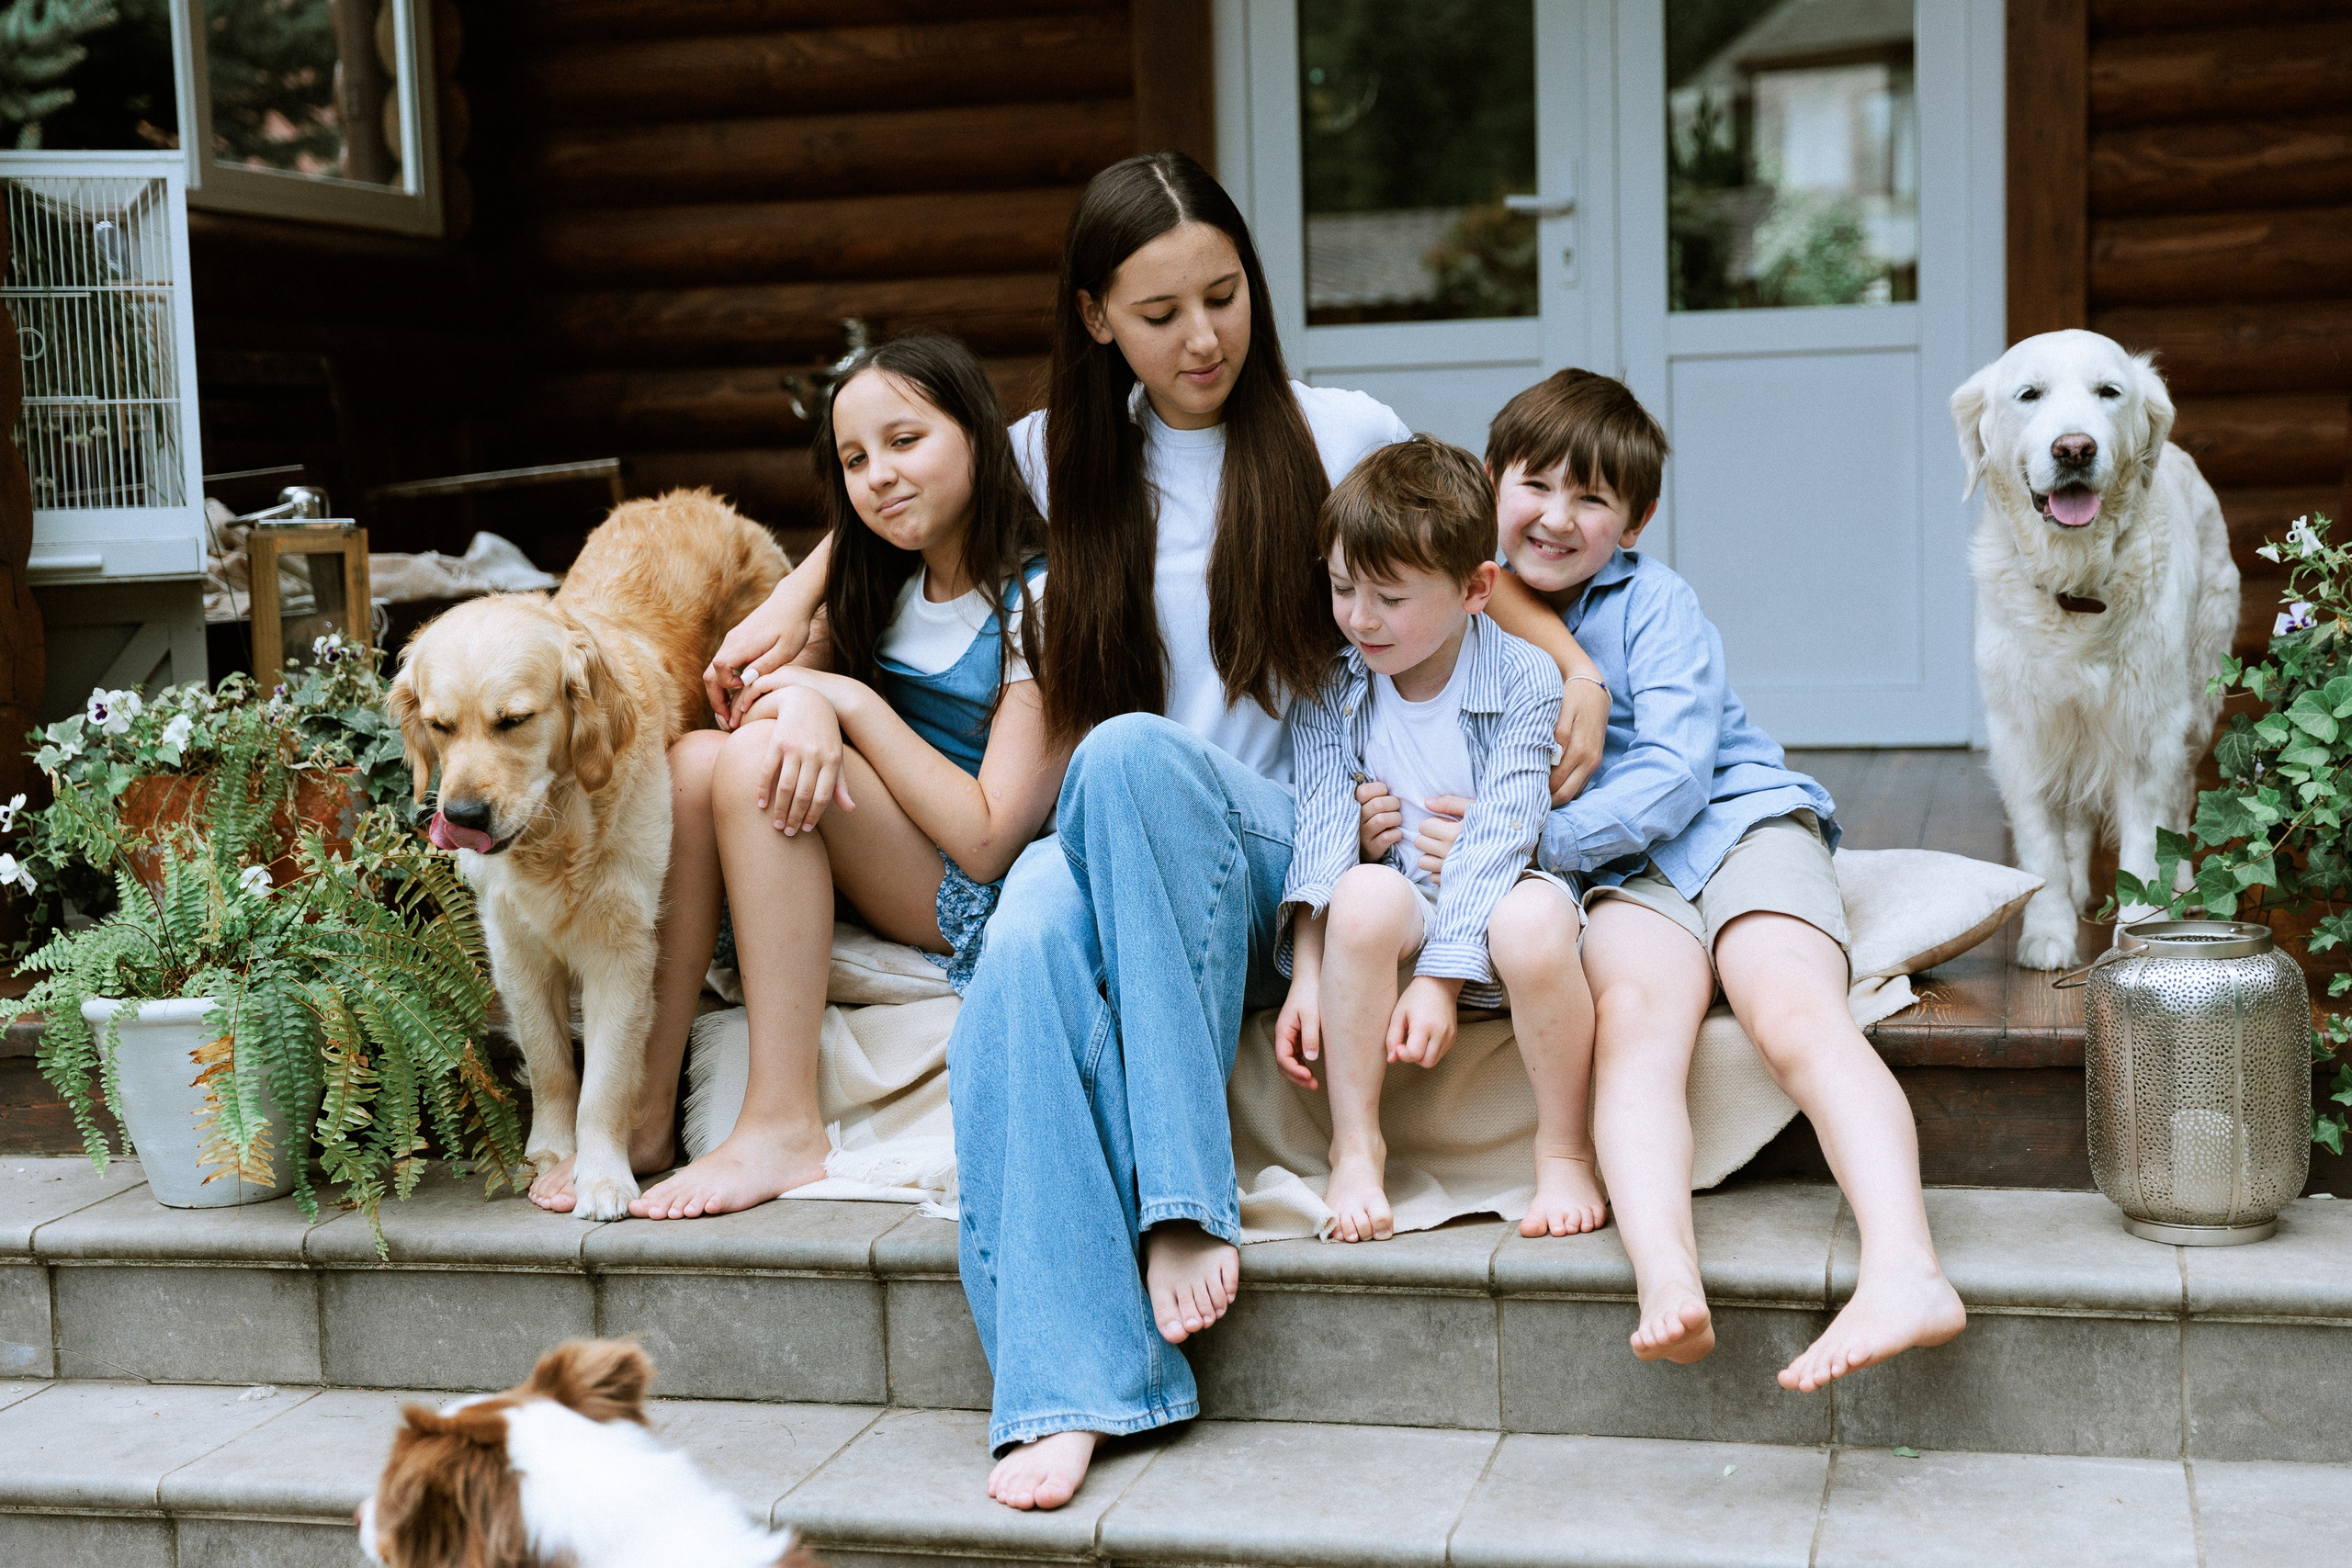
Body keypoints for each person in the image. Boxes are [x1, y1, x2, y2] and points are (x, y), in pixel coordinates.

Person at [698, 152, 1615, 1511]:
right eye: (1161, 312)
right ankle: (1073, 1387)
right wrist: (795, 602)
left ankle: (1181, 1198)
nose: (1204, 338)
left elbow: (1465, 572)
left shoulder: (1337, 427)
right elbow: (893, 502)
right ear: (1096, 320)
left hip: (1268, 852)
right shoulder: (1057, 458)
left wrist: (1577, 673)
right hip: (1101, 848)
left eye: (1225, 297)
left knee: (1126, 749)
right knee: (1019, 947)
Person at [1407, 367, 1966, 1391]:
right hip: (1624, 874)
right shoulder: (1466, 609)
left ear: (1637, 518)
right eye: (1534, 484)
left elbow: (1673, 776)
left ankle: (1907, 1269)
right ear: (1490, 481)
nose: (1557, 517)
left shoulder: (1657, 602)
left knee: (1791, 1010)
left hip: (1734, 823)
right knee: (1633, 1025)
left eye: (1594, 499)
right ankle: (1667, 1279)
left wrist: (1530, 845)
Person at [527, 333, 1070, 1219]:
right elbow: (758, 707)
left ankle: (784, 1120)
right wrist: (810, 690)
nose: (880, 475)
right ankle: (645, 1107)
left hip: (974, 885)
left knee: (752, 763)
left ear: (978, 433)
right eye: (855, 460)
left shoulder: (1041, 598)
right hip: (878, 849)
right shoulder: (877, 584)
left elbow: (985, 837)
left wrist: (840, 703)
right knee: (701, 758)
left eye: (906, 442)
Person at [1274, 435, 1604, 1246]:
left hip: (1494, 902)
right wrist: (1306, 973)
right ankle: (1355, 1145)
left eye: (1388, 596)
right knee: (1359, 891)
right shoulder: (1333, 683)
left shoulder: (1525, 678)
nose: (1359, 617)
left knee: (1530, 922)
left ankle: (1564, 1149)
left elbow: (1500, 835)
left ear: (1475, 589)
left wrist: (1442, 982)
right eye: (1343, 587)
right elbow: (1319, 827)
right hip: (1403, 904)